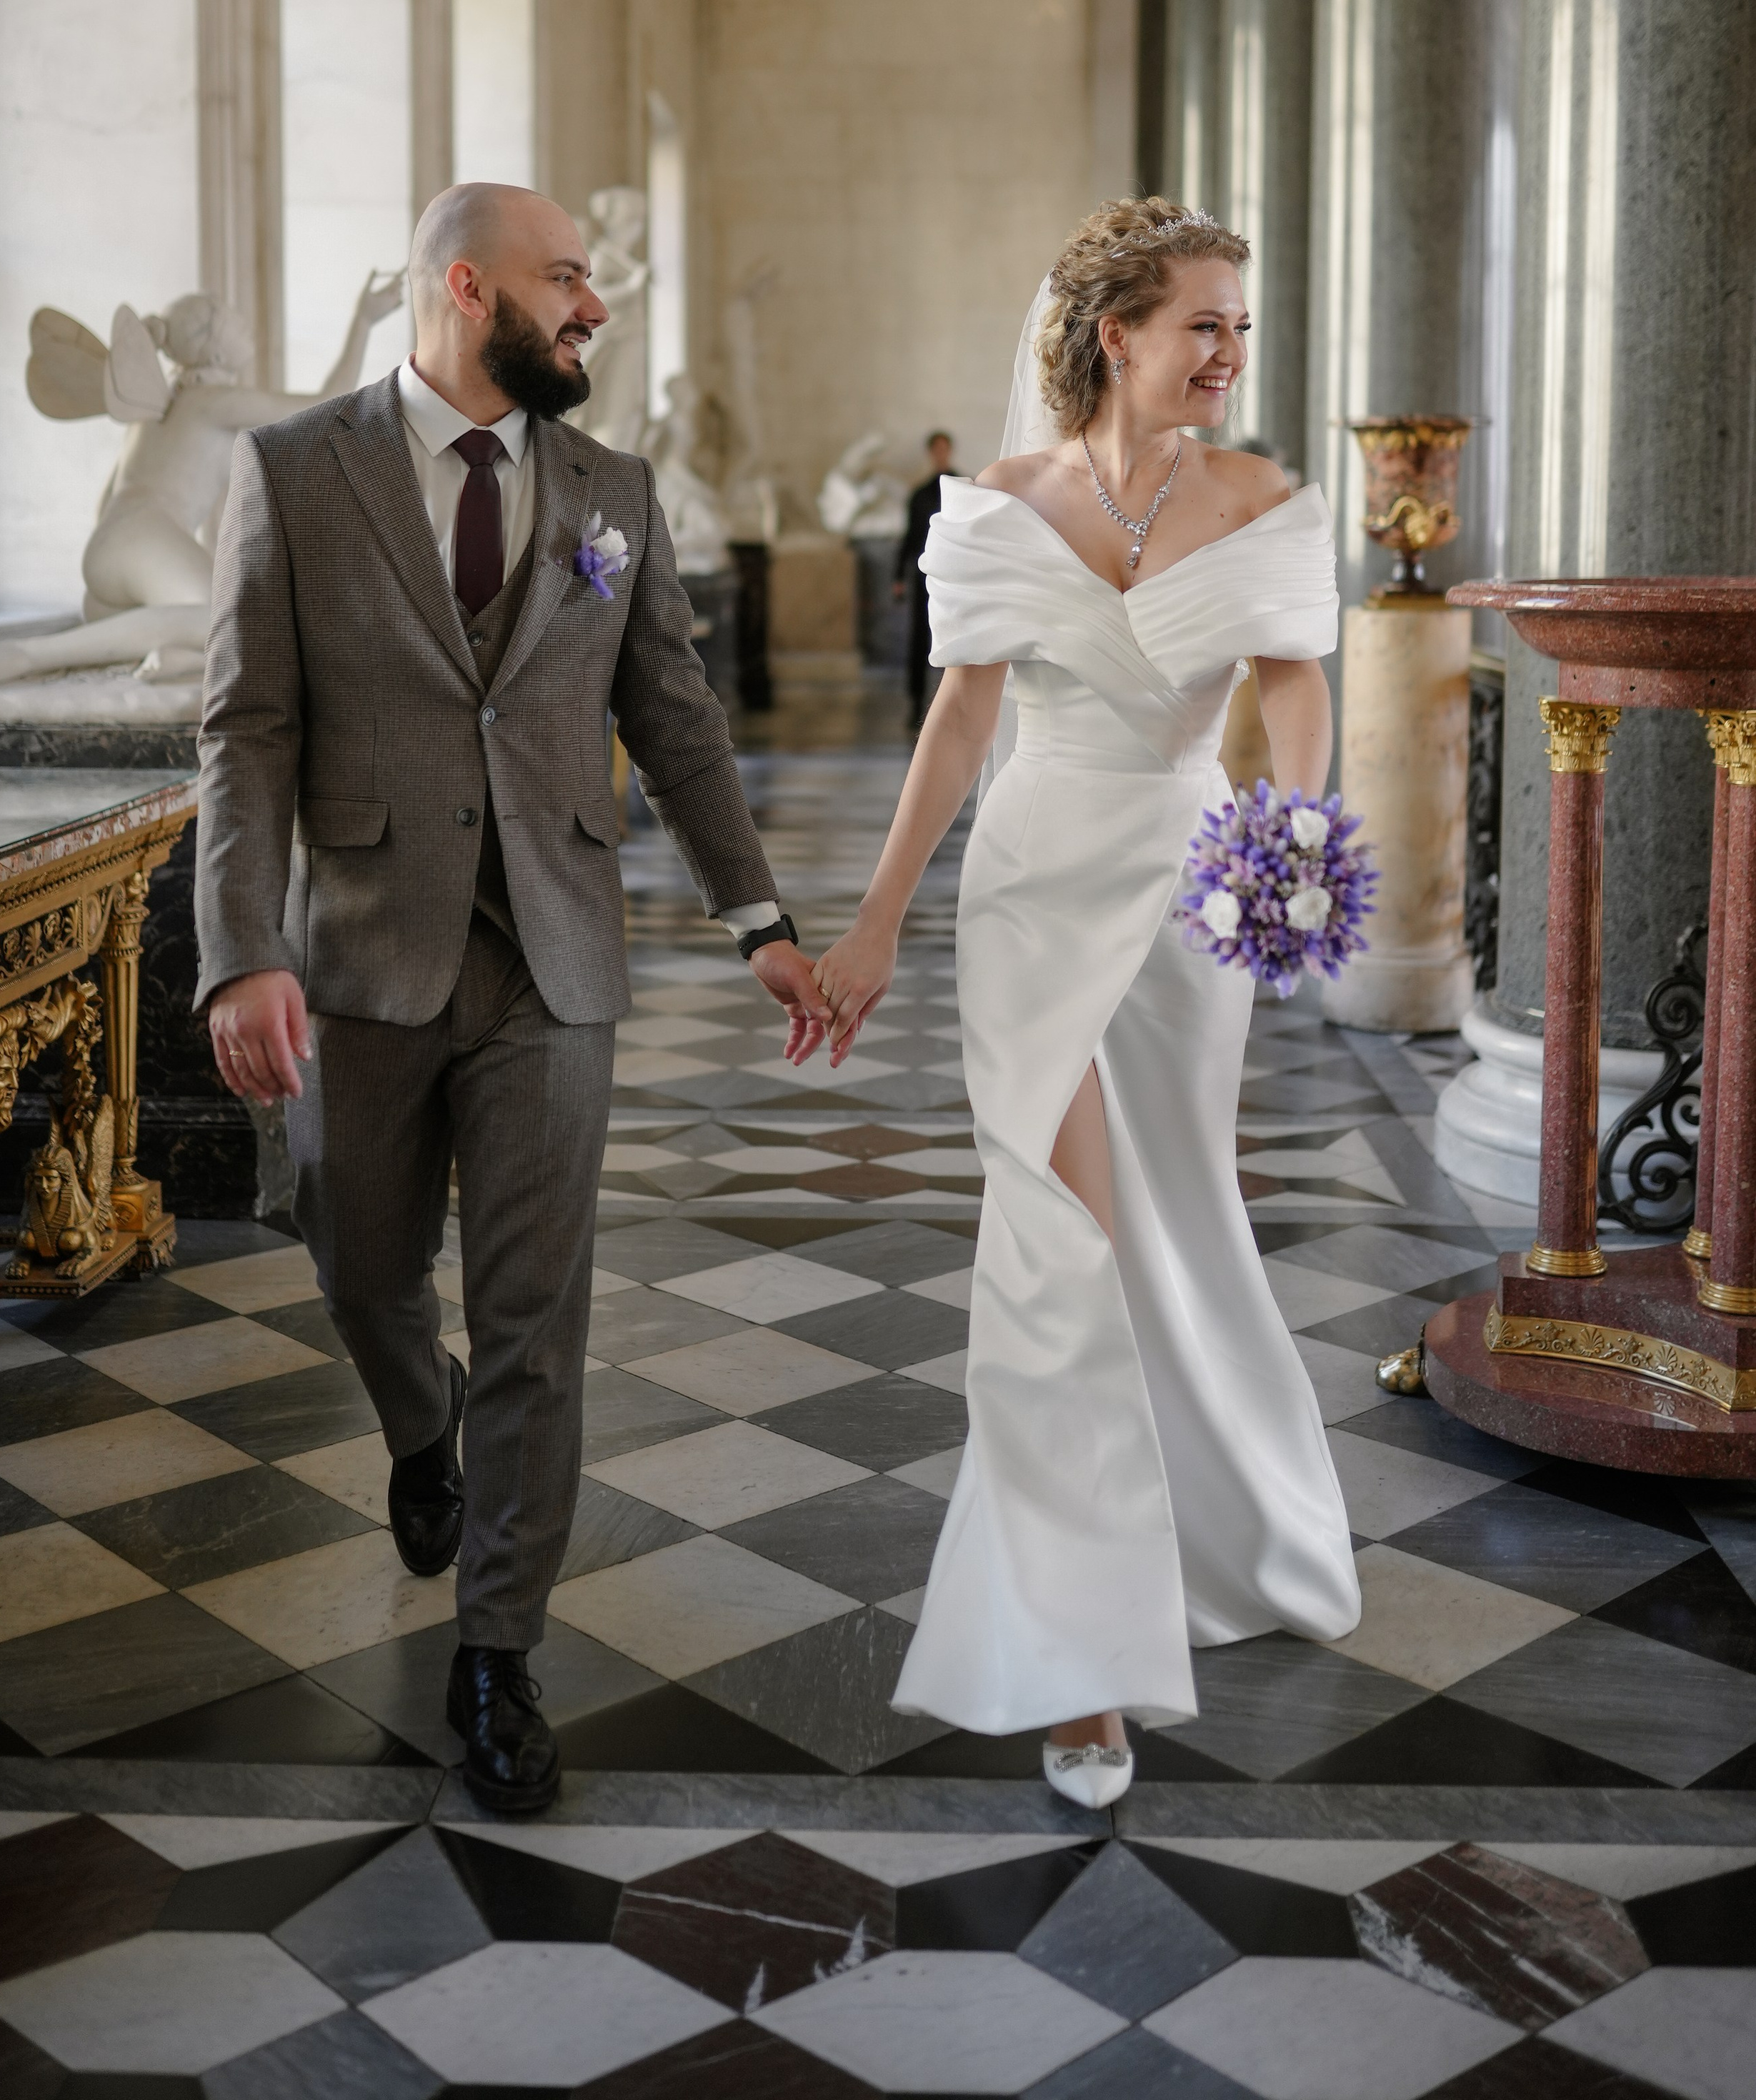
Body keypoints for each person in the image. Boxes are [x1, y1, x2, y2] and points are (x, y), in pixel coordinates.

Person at [195, 182, 830, 1815]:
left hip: (554, 948)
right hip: (358, 945)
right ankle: (424, 1431)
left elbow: (674, 715)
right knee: (353, 1256)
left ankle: (496, 1651)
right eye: (567, 281)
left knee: (539, 1312)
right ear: (467, 287)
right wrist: (241, 946)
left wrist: (754, 910)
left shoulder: (607, 489)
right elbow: (246, 731)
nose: (592, 310)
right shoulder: (290, 471)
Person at [812, 198, 1360, 1808]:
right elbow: (957, 728)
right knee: (1059, 1246)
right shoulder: (990, 506)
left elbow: (1292, 686)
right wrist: (873, 925)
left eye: (1240, 328)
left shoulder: (1262, 496)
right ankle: (1082, 1660)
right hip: (1034, 896)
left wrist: (1292, 832)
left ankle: (1229, 1525)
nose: (1228, 354)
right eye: (1202, 323)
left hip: (1190, 899)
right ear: (1113, 332)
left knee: (1175, 1224)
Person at [894, 429, 957, 732]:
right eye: (937, 450)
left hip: (956, 579)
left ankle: (952, 705)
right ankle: (916, 705)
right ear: (932, 453)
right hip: (923, 579)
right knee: (919, 641)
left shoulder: (961, 489)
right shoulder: (919, 495)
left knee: (957, 641)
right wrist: (898, 576)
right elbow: (909, 538)